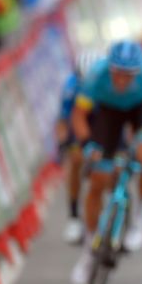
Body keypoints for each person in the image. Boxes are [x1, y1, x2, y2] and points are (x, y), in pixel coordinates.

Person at [69, 41, 142, 284]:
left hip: (141, 110)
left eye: (129, 74)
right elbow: (79, 116)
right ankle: (89, 247)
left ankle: (140, 216)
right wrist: (87, 145)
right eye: (118, 72)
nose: (122, 79)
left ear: (138, 71)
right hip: (108, 112)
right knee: (97, 180)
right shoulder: (96, 75)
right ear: (110, 67)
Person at [56, 50, 102, 245]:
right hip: (79, 120)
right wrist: (63, 143)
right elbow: (63, 121)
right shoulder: (71, 86)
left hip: (102, 121)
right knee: (75, 160)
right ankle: (74, 216)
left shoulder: (108, 85)